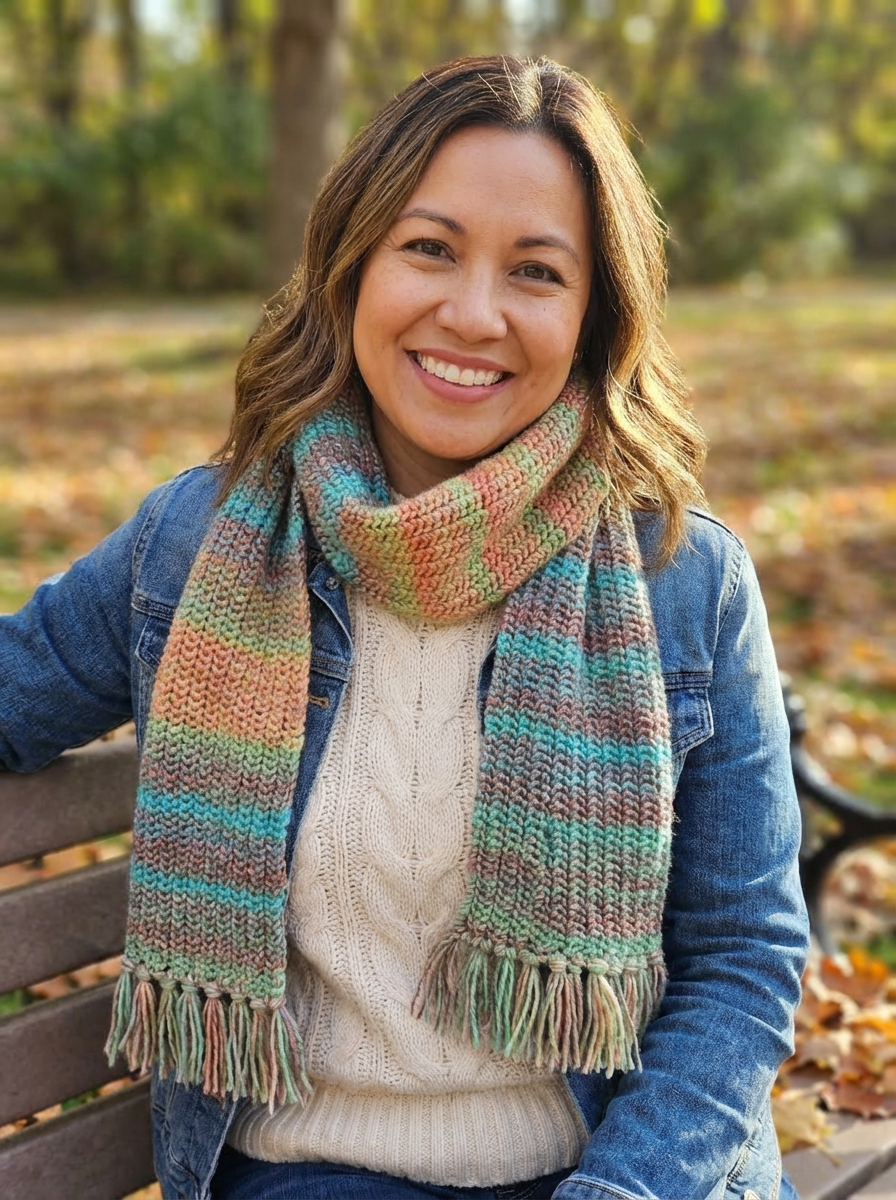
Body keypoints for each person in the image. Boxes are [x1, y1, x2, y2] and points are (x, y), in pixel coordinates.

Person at [0, 55, 809, 1200]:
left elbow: (742, 962)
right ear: (351, 268)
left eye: (534, 271)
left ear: (592, 316)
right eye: (428, 249)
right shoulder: (199, 545)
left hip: (622, 1172)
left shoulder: (680, 580)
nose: (470, 314)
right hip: (317, 1174)